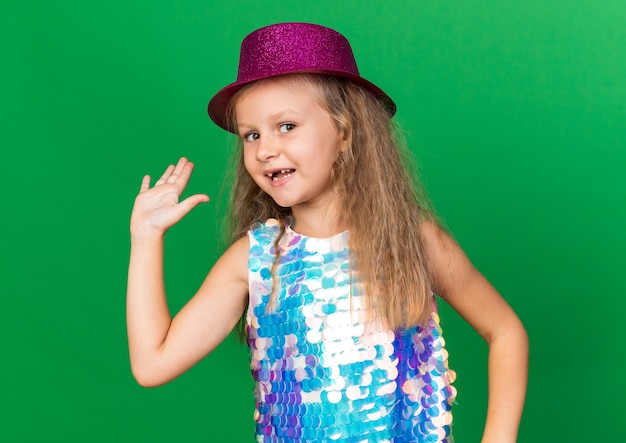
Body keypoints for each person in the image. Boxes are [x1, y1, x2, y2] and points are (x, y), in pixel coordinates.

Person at [127, 22, 528, 443]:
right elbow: (152, 365)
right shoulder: (256, 261)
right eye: (251, 135)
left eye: (286, 126)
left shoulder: (411, 241)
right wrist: (145, 238)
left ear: (344, 132)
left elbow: (505, 331)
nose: (264, 149)